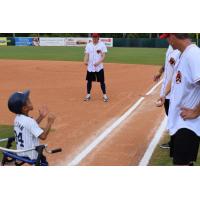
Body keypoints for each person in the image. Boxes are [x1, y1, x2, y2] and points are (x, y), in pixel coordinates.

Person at [159, 33, 200, 166]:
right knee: (183, 163)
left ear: (173, 36)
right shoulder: (181, 55)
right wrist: (164, 94)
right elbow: (177, 80)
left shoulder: (194, 54)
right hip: (179, 122)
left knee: (180, 164)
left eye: (167, 37)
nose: (168, 41)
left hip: (188, 125)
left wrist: (196, 111)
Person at [7, 90, 56, 163]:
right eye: (27, 100)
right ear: (24, 108)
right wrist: (49, 122)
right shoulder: (29, 121)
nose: (29, 99)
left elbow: (29, 127)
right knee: (43, 162)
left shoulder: (17, 118)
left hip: (21, 153)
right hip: (32, 155)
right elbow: (43, 136)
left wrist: (41, 117)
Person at [155, 41, 181, 149]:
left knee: (173, 117)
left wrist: (167, 92)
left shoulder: (179, 50)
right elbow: (167, 63)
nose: (167, 39)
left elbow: (177, 73)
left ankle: (175, 143)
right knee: (170, 115)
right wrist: (160, 71)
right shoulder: (171, 46)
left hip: (172, 90)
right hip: (167, 88)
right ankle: (175, 141)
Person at [83, 33, 109, 102]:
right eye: (93, 37)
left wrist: (98, 62)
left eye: (95, 37)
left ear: (98, 37)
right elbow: (86, 54)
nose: (94, 38)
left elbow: (103, 56)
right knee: (89, 81)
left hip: (99, 67)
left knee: (102, 82)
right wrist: (85, 60)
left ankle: (105, 95)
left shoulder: (102, 45)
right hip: (90, 67)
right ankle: (88, 95)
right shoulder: (89, 45)